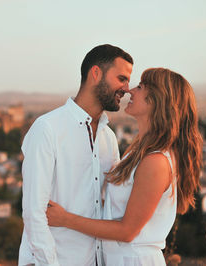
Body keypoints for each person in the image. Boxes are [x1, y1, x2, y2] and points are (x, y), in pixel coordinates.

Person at [46, 68, 203, 265]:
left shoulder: (156, 162)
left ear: (156, 99)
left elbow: (127, 231)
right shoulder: (139, 149)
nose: (130, 91)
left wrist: (65, 219)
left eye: (140, 87)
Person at [18, 44, 133, 266]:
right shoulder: (47, 129)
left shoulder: (108, 138)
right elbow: (34, 213)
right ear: (96, 73)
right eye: (121, 78)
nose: (127, 88)